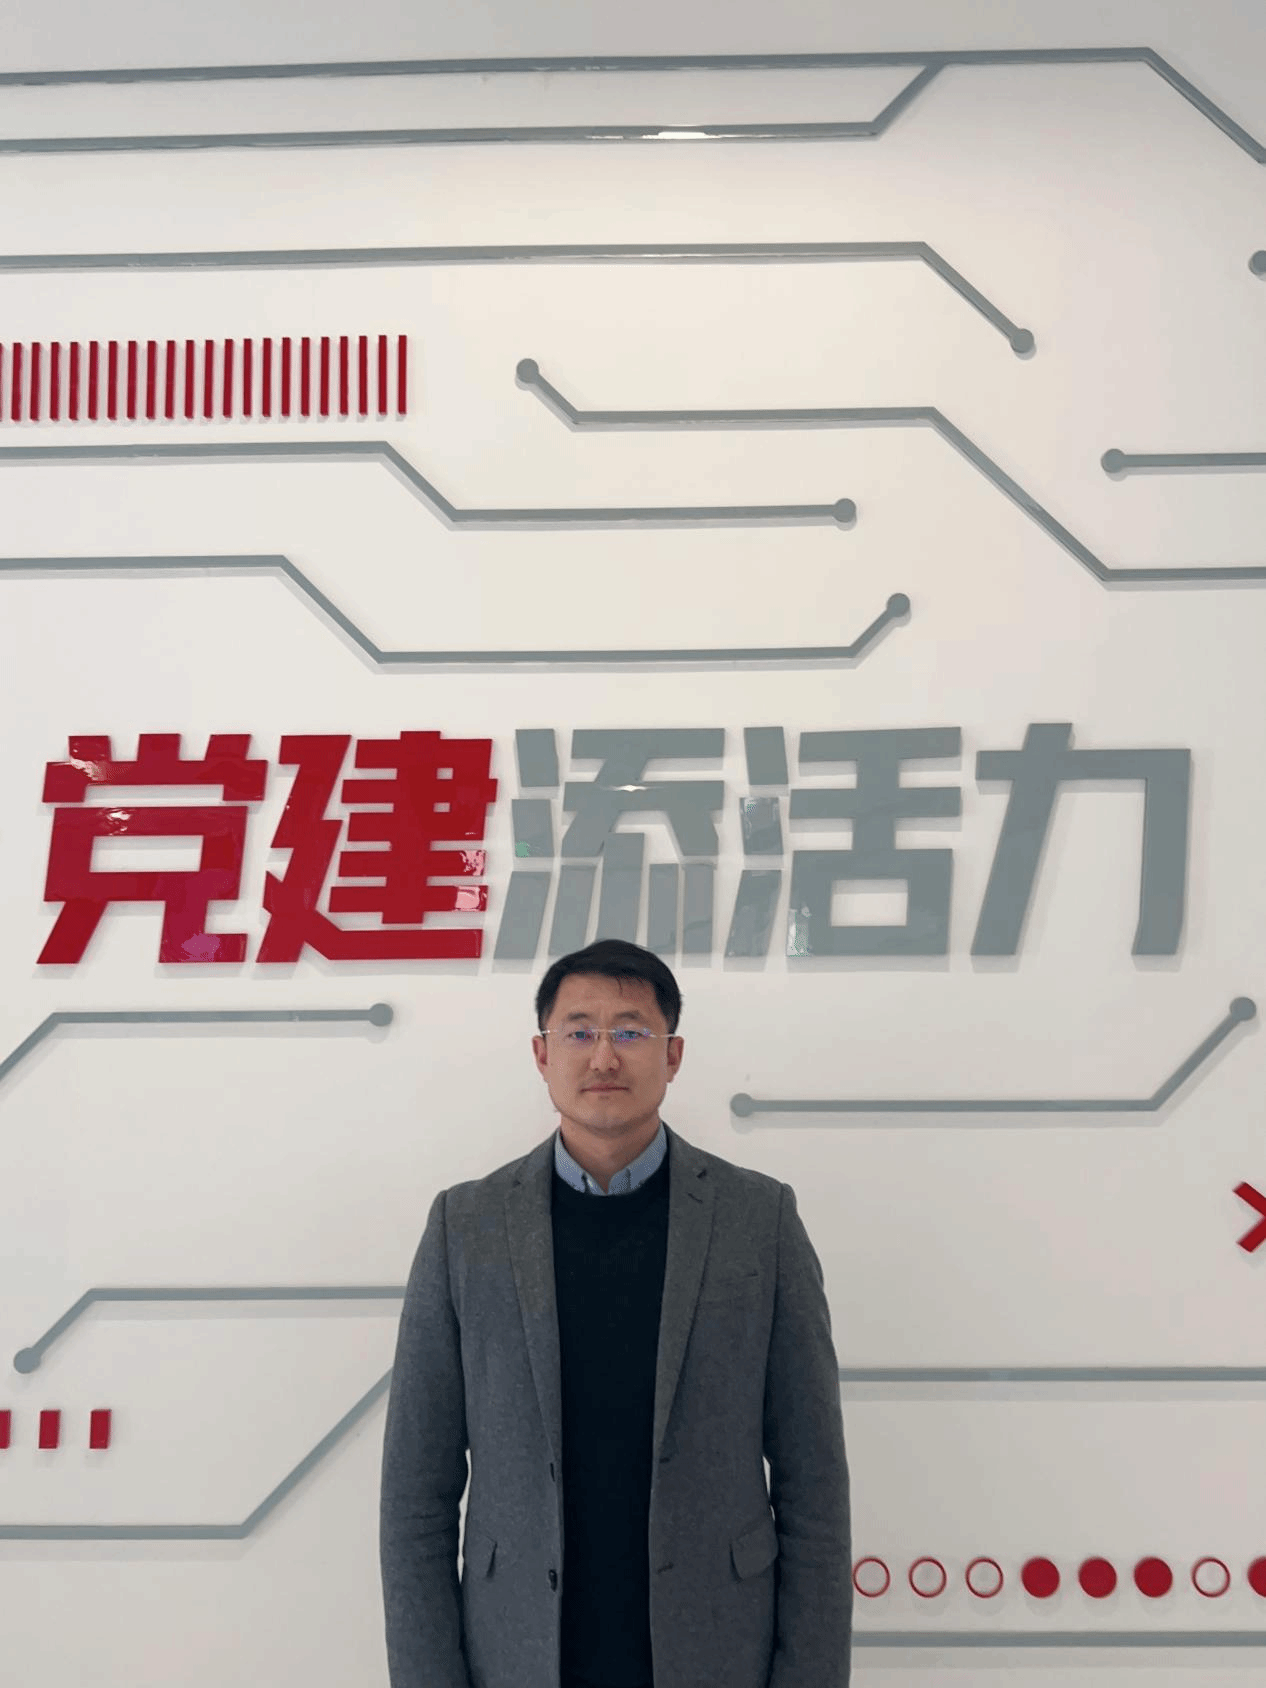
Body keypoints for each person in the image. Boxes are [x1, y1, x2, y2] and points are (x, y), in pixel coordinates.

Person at [380, 938, 852, 1688]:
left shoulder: (758, 1220)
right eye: (579, 1032)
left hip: (716, 1650)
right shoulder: (464, 1228)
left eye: (631, 1031)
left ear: (673, 1055)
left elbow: (813, 1482)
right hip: (518, 1655)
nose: (604, 1057)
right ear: (542, 1054)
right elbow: (415, 1496)